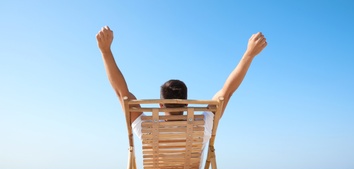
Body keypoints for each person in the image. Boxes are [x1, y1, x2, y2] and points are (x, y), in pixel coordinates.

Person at [96, 25, 267, 142]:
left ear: (161, 104)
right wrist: (249, 54)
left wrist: (105, 51)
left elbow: (121, 93)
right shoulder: (203, 124)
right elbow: (227, 92)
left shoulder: (146, 128)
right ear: (186, 103)